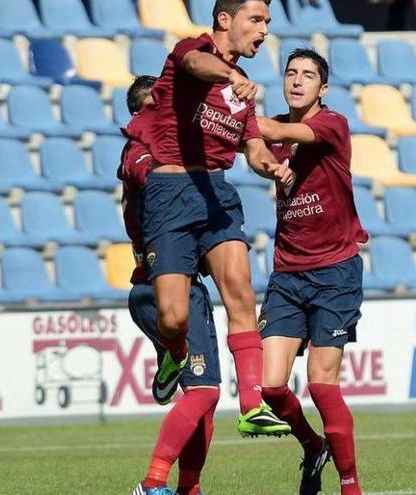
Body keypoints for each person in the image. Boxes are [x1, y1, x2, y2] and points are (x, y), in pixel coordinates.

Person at [123, 0, 293, 437]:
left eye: (267, 22)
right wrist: (233, 76)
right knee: (174, 318)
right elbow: (200, 65)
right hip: (170, 192)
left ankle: (253, 404)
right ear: (225, 20)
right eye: (256, 20)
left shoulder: (244, 93)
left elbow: (253, 147)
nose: (264, 30)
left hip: (216, 193)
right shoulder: (189, 52)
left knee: (240, 290)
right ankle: (172, 351)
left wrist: (270, 166)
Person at [256, 48, 368, 495]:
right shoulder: (277, 132)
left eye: (307, 75)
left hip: (334, 273)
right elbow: (255, 150)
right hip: (287, 273)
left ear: (323, 88)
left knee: (323, 387)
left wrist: (238, 115)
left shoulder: (330, 124)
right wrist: (264, 163)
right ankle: (311, 444)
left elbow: (275, 130)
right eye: (290, 73)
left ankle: (350, 485)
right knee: (271, 387)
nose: (297, 80)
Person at [122, 78, 220, 495]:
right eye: (149, 109)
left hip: (174, 286)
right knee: (204, 390)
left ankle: (189, 488)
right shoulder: (138, 152)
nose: (156, 116)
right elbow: (158, 177)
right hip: (162, 287)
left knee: (204, 397)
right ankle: (153, 482)